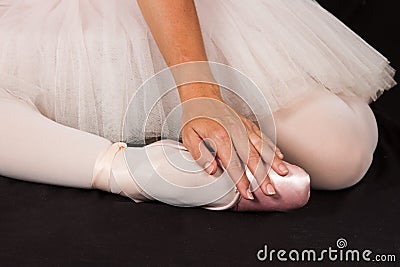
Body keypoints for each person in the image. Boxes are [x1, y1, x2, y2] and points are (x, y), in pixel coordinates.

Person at [0, 0, 396, 211]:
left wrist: (200, 93)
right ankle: (138, 172)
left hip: (183, 13)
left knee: (341, 154)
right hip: (42, 24)